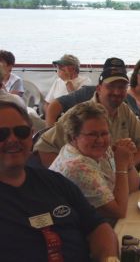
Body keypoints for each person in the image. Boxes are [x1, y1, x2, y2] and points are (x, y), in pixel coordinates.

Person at [0, 100, 119, 261]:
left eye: (21, 131)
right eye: (2, 134)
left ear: (31, 135)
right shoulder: (74, 167)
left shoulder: (55, 182)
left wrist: (109, 258)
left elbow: (98, 227)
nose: (13, 139)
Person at [34, 61, 140, 168]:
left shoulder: (123, 109)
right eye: (111, 87)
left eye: (121, 87)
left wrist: (127, 167)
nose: (117, 92)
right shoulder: (79, 114)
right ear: (99, 88)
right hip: (88, 182)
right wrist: (63, 178)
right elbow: (44, 145)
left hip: (117, 178)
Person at [50, 102, 140, 219]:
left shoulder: (94, 150)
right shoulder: (77, 167)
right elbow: (118, 213)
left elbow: (133, 187)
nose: (100, 140)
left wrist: (128, 161)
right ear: (74, 136)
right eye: (92, 134)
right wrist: (121, 164)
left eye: (104, 133)